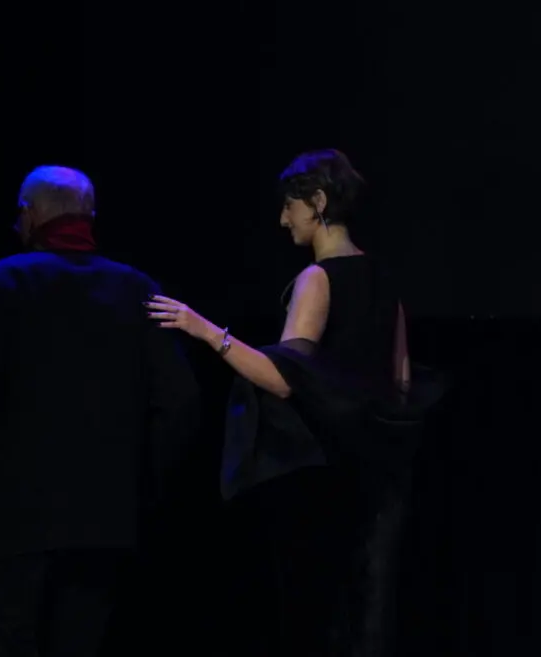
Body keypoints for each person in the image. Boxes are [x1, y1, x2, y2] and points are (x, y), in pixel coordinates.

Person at [0, 165, 199, 657]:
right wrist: (141, 487)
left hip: (12, 525)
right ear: (90, 216)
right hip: (105, 528)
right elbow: (181, 403)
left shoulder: (1, 283)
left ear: (29, 214)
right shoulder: (138, 289)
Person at [148, 149, 432, 657]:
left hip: (323, 475)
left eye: (289, 206)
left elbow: (284, 379)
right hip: (380, 475)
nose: (283, 220)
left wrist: (205, 330)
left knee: (316, 615)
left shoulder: (317, 278)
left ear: (318, 202)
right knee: (369, 614)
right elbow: (402, 381)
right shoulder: (385, 281)